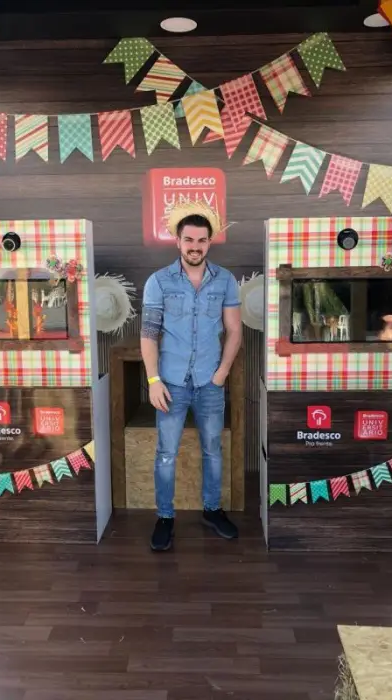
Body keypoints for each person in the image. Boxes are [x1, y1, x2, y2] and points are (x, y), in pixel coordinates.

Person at [140, 201, 242, 552]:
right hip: (170, 383)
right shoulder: (158, 282)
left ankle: (212, 510)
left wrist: (222, 373)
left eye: (201, 240)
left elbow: (234, 330)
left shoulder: (225, 280)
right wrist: (153, 380)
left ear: (209, 242)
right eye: (189, 240)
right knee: (166, 452)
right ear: (178, 242)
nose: (195, 247)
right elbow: (148, 334)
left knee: (213, 449)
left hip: (209, 383)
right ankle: (165, 517)